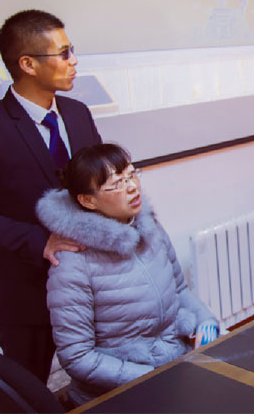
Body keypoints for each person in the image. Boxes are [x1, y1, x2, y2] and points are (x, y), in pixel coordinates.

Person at [0, 10, 102, 383]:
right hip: (26, 298)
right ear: (27, 64)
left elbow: (98, 183)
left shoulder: (78, 114)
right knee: (28, 395)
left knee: (101, 386)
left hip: (92, 284)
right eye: (64, 53)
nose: (74, 61)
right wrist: (42, 242)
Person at [36, 143, 219, 406]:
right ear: (87, 200)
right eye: (117, 184)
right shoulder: (72, 262)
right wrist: (150, 377)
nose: (132, 187)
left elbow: (179, 290)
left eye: (132, 175)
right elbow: (77, 357)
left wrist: (205, 321)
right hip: (120, 391)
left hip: (172, 366)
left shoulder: (150, 227)